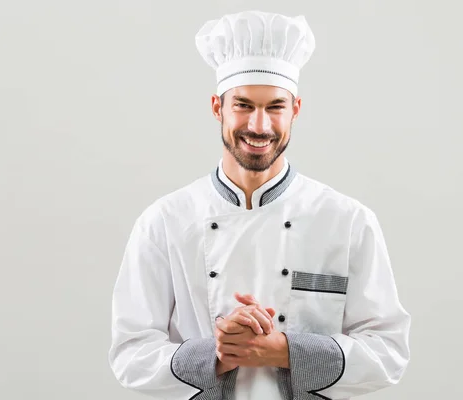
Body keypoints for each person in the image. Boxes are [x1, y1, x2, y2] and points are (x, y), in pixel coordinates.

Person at [108, 10, 411, 400]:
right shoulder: (164, 222)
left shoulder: (347, 221)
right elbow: (130, 354)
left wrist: (286, 351)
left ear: (295, 109)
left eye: (275, 107)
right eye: (244, 105)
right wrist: (216, 354)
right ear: (217, 107)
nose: (260, 125)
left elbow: (389, 353)